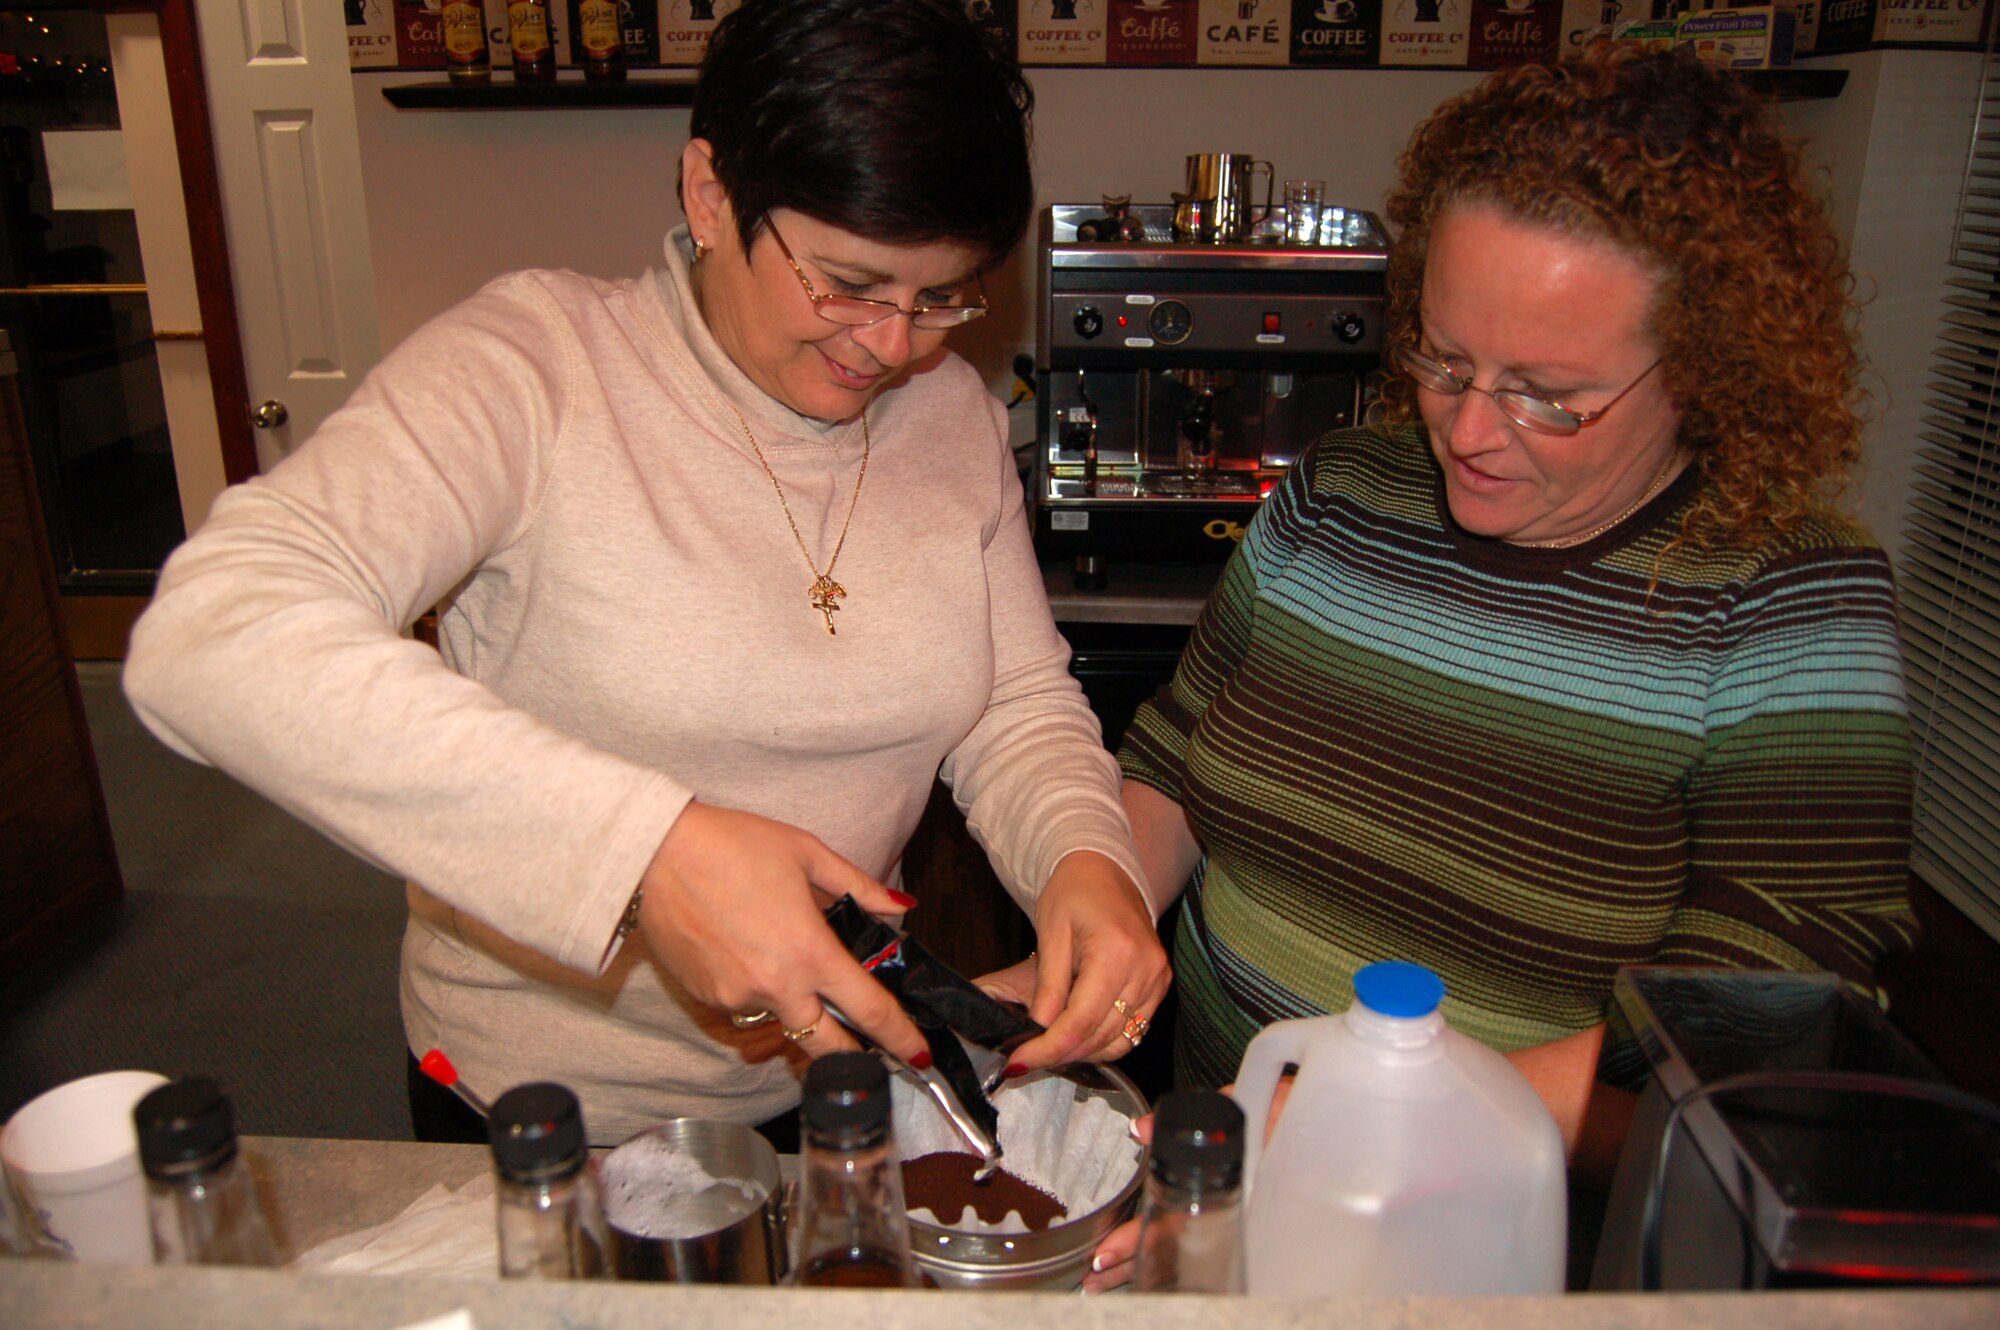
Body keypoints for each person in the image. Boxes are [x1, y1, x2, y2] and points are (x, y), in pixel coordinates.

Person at [122, 0, 1168, 1148]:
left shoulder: (952, 416)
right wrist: (644, 854)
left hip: (834, 1082)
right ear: (710, 194)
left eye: (941, 298)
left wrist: (1085, 855)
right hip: (543, 1110)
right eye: (846, 284)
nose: (890, 345)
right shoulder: (535, 368)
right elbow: (211, 635)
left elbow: (1013, 698)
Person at [1087, 42, 1918, 1290]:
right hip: (1219, 1161)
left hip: (1505, 1243)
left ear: (1703, 365)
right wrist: (1093, 914)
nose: (1469, 430)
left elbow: (1742, 1046)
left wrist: (1356, 1130)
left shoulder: (1788, 604)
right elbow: (1172, 757)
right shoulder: (1336, 496)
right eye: (1442, 359)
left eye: (1548, 395)